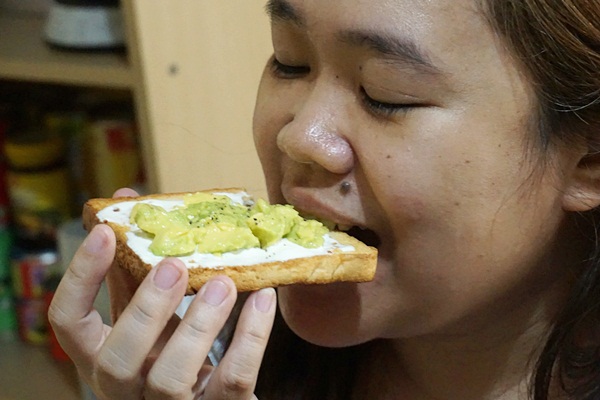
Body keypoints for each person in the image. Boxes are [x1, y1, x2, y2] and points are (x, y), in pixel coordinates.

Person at [48, 0, 600, 399]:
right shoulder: (208, 356)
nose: (298, 135)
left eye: (387, 94)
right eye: (289, 62)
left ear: (588, 160)